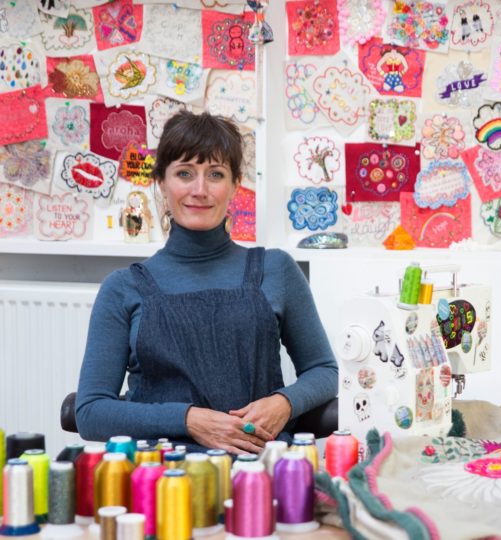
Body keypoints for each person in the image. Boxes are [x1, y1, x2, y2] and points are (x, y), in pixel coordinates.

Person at [76, 111, 338, 454]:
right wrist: (189, 420)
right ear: (161, 182)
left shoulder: (276, 269)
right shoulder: (123, 288)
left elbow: (324, 370)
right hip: (161, 479)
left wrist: (284, 403)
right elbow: (91, 412)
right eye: (185, 173)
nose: (199, 190)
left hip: (257, 470)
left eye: (215, 174)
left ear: (234, 185)